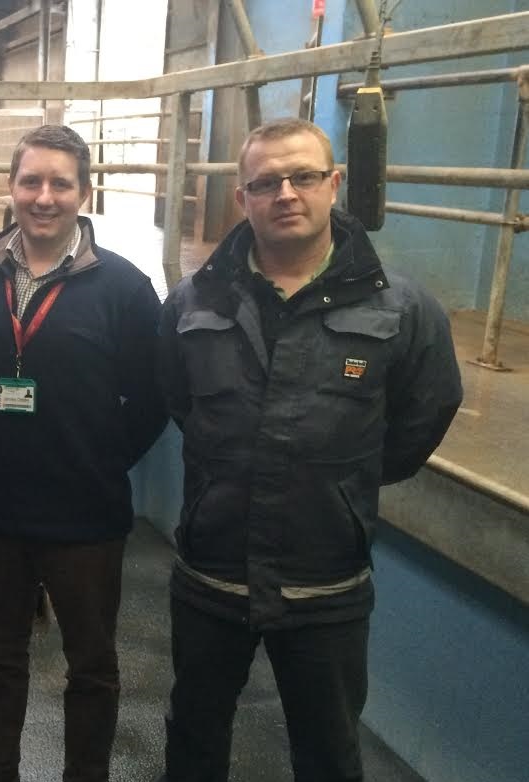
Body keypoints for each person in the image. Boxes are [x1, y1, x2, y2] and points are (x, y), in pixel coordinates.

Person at [156, 117, 463, 782]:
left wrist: (343, 483)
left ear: (334, 184)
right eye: (264, 182)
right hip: (213, 574)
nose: (284, 193)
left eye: (301, 176)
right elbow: (178, 401)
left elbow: (424, 413)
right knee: (192, 739)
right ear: (242, 199)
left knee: (327, 752)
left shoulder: (401, 309)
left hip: (324, 581)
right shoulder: (191, 301)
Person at [0, 124, 167, 782]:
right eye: (30, 181)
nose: (43, 197)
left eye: (59, 183)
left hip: (84, 519)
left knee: (91, 666)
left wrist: (97, 463)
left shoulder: (124, 289)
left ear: (83, 191)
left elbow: (152, 399)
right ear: (10, 187)